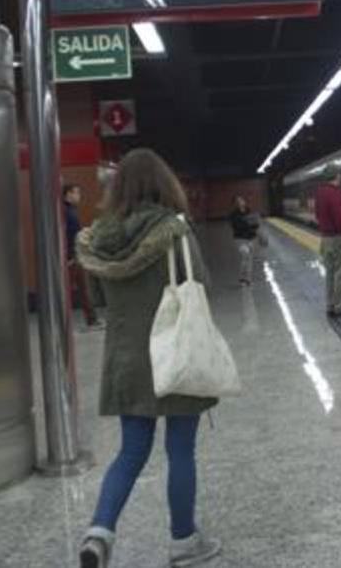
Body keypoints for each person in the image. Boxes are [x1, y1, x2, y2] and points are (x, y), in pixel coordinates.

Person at [75, 149, 221, 568]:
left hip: (128, 360)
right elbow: (201, 285)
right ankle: (182, 542)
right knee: (180, 449)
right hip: (175, 352)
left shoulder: (98, 239)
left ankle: (98, 532)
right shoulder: (175, 231)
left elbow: (100, 298)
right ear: (164, 184)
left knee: (131, 451)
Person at [314, 166, 341, 317]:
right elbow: (340, 218)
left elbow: (318, 215)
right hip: (339, 239)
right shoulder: (334, 193)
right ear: (336, 176)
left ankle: (330, 305)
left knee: (330, 274)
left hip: (325, 238)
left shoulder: (320, 193)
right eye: (340, 174)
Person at [64, 183, 100, 329]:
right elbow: (69, 235)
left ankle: (92, 319)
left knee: (82, 288)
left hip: (74, 255)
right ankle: (91, 320)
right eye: (76, 193)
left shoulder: (69, 210)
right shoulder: (67, 212)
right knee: (81, 288)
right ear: (68, 194)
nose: (79, 196)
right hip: (73, 257)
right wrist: (70, 256)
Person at [228, 196, 260, 286]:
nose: (241, 202)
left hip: (251, 239)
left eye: (242, 200)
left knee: (249, 259)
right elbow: (235, 227)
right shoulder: (233, 215)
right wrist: (246, 223)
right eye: (238, 201)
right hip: (240, 239)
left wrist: (253, 224)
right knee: (245, 256)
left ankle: (247, 279)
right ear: (235, 204)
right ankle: (242, 278)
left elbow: (255, 224)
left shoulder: (249, 211)